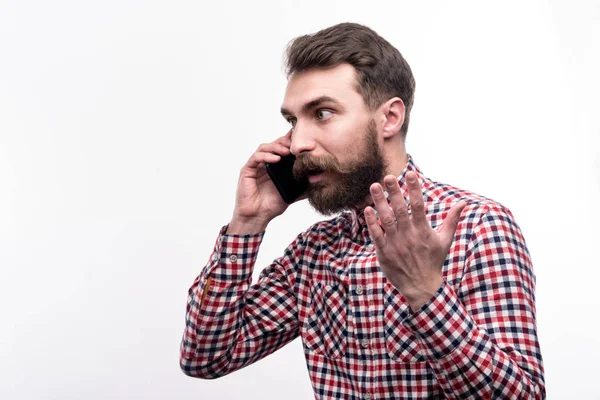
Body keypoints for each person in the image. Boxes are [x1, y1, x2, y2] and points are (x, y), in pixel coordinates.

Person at [179, 22, 545, 399]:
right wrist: (247, 224)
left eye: (321, 113)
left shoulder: (477, 227)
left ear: (389, 118)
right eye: (292, 121)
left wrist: (426, 293)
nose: (299, 142)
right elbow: (205, 356)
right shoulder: (313, 253)